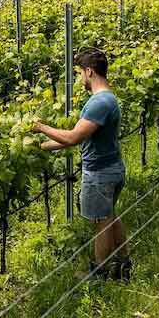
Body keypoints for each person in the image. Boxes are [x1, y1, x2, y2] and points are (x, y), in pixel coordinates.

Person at [31, 47, 131, 281]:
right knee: (110, 216)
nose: (78, 79)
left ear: (89, 72)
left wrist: (41, 127)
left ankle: (100, 271)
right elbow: (77, 139)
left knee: (102, 223)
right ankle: (123, 263)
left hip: (100, 174)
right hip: (112, 169)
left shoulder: (100, 103)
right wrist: (40, 147)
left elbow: (73, 137)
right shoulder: (106, 99)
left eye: (79, 74)